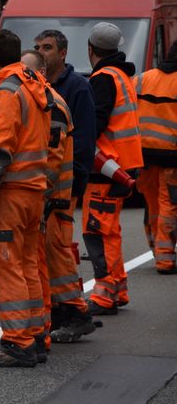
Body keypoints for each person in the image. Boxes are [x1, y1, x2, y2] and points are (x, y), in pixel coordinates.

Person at [0, 30, 51, 368]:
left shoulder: (7, 91)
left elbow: (2, 147)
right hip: (33, 189)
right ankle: (35, 336)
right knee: (27, 265)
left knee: (7, 268)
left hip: (11, 193)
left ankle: (18, 344)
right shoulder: (34, 85)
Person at [34, 30, 97, 341]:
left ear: (63, 52)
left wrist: (75, 183)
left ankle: (75, 311)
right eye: (37, 47)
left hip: (64, 185)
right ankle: (61, 309)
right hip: (49, 185)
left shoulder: (76, 88)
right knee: (48, 249)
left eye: (47, 47)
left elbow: (84, 142)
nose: (41, 52)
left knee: (57, 249)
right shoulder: (43, 88)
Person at [84, 22, 143, 315]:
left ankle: (105, 293)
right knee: (110, 231)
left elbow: (96, 122)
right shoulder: (122, 76)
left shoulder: (102, 78)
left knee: (97, 231)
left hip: (106, 167)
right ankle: (117, 287)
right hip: (125, 164)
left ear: (90, 49)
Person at [133, 40, 177, 274]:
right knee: (168, 205)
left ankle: (156, 250)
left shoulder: (142, 79)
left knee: (152, 206)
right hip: (172, 158)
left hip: (144, 156)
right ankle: (165, 259)